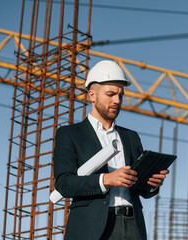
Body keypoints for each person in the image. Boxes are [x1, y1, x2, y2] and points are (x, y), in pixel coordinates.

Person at [53, 60, 169, 240]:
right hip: (92, 229)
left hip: (133, 227)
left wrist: (152, 184)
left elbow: (140, 190)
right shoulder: (69, 134)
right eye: (110, 94)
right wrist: (106, 179)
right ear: (92, 95)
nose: (117, 100)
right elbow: (64, 184)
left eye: (120, 95)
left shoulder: (131, 137)